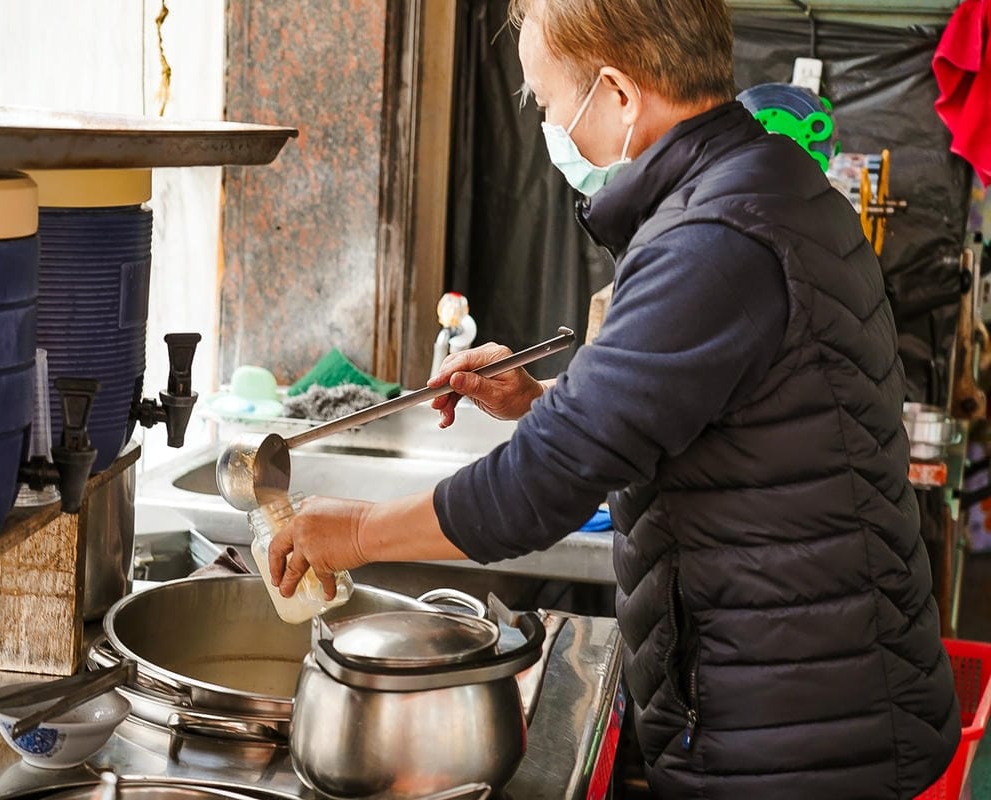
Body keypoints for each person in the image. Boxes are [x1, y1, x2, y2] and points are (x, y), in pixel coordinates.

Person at [266, 0, 960, 796]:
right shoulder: (769, 185)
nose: (547, 127)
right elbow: (731, 400)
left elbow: (536, 489)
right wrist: (544, 396)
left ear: (619, 95)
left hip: (792, 736)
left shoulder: (714, 239)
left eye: (549, 101)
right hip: (829, 692)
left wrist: (351, 531)